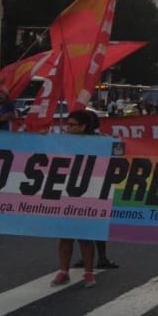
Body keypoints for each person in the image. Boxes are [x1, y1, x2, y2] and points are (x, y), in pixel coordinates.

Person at [53, 110, 99, 288]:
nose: (68, 128)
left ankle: (88, 272)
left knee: (85, 236)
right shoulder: (62, 141)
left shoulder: (97, 142)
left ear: (83, 127)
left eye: (72, 125)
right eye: (67, 125)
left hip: (87, 193)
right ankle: (63, 271)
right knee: (65, 236)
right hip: (66, 191)